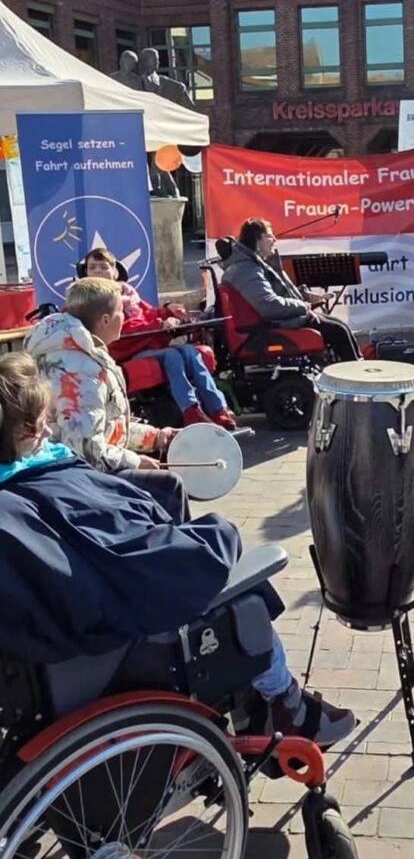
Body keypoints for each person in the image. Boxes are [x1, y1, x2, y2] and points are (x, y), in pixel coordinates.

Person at [0, 352, 356, 747]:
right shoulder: (48, 491)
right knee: (236, 584)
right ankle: (283, 701)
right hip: (120, 638)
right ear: (32, 430)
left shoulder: (25, 494)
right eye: (47, 423)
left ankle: (262, 694)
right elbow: (157, 558)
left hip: (47, 642)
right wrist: (217, 534)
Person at [24, 278, 189, 520]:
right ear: (105, 320)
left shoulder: (81, 354)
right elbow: (86, 451)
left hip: (77, 469)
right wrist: (135, 461)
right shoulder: (78, 371)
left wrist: (155, 438)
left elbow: (104, 425)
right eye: (122, 312)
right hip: (71, 479)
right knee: (168, 486)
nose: (126, 317)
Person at [82, 248, 236, 430]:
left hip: (147, 343)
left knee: (190, 351)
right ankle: (190, 411)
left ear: (115, 272)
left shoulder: (128, 295)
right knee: (172, 355)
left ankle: (218, 408)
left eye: (103, 267)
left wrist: (169, 309)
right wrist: (159, 324)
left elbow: (149, 313)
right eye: (93, 268)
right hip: (124, 351)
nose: (98, 271)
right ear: (86, 273)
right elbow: (120, 329)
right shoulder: (92, 302)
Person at [220, 218, 360, 362]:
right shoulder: (247, 270)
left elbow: (279, 291)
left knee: (340, 325)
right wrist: (303, 306)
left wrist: (306, 297)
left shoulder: (252, 265)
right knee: (338, 331)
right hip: (266, 326)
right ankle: (353, 377)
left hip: (273, 320)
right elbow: (269, 305)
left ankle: (354, 371)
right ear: (258, 240)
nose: (274, 239)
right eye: (270, 235)